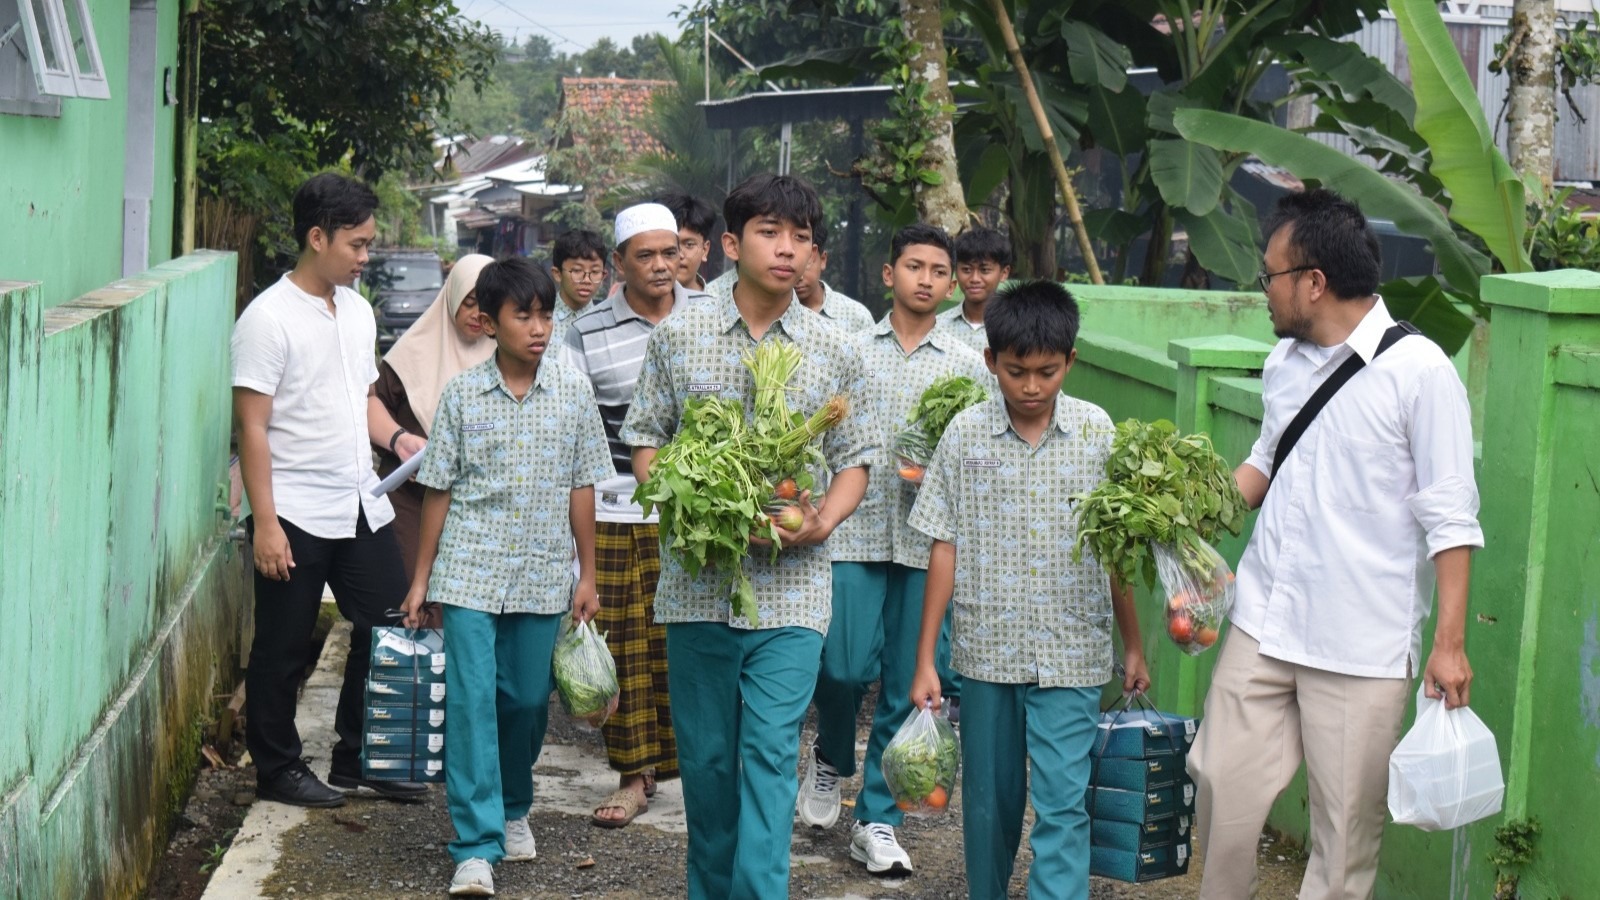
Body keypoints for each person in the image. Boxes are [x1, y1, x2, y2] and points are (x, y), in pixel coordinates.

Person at [1187, 189, 1481, 900]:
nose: (1264, 292)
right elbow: (1267, 459)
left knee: (1343, 841)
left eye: (1270, 276)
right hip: (1264, 618)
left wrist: (1448, 644)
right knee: (1218, 784)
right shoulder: (1286, 362)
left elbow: (1452, 520)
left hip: (1360, 643)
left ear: (1312, 282)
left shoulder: (1422, 374)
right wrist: (1188, 515)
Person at [620, 173, 878, 899]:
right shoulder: (680, 335)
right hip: (698, 585)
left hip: (793, 592)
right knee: (705, 764)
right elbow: (645, 442)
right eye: (770, 232)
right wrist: (689, 502)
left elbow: (857, 459)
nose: (787, 248)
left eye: (800, 237)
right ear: (732, 245)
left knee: (768, 756)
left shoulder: (837, 347)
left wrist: (823, 520)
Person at [908, 280, 1149, 900]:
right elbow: (944, 546)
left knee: (1064, 804)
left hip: (1073, 653)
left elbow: (1116, 549)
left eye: (1047, 371)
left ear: (1071, 361)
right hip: (987, 654)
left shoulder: (1099, 434)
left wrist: (1134, 647)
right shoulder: (963, 436)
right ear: (991, 362)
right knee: (989, 805)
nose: (1032, 386)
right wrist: (925, 659)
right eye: (1017, 371)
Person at [400, 257, 615, 897]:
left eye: (546, 313)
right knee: (471, 702)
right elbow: (437, 491)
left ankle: (515, 804)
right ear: (488, 322)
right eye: (524, 315)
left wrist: (587, 572)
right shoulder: (462, 395)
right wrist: (422, 580)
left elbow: (583, 486)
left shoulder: (573, 391)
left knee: (524, 699)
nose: (539, 326)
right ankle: (474, 844)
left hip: (544, 572)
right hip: (469, 569)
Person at [231, 173, 429, 808]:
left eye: (369, 244)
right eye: (358, 244)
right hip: (293, 509)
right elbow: (252, 427)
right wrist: (265, 523)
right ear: (317, 238)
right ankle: (278, 769)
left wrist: (400, 442)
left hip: (359, 499)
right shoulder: (267, 319)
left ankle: (358, 757)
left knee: (389, 626)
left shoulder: (358, 310)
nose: (366, 257)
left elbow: (363, 400)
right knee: (282, 649)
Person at [796, 223, 987, 876]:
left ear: (951, 281)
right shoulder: (848, 350)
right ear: (889, 274)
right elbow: (818, 437)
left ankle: (878, 819)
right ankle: (829, 756)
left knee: (912, 684)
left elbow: (973, 455)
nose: (927, 279)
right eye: (914, 266)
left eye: (939, 270)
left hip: (925, 540)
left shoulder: (966, 366)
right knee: (843, 667)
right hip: (850, 530)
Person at [564, 203, 695, 828]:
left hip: (696, 513)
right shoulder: (585, 333)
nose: (662, 265)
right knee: (621, 643)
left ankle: (694, 765)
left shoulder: (711, 321)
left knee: (685, 643)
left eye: (671, 252)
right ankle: (632, 775)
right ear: (619, 264)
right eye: (646, 255)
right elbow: (575, 433)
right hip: (615, 507)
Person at [367, 254, 496, 582]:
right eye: (469, 302)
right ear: (452, 297)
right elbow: (371, 404)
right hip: (413, 503)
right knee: (411, 592)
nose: (477, 315)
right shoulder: (413, 351)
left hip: (481, 507)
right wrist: (399, 441)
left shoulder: (507, 359)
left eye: (487, 305)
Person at [938, 227, 1014, 354]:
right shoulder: (938, 326)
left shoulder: (1017, 326)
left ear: (1004, 273)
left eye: (984, 270)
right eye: (966, 270)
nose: (974, 279)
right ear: (956, 271)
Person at [792, 219, 875, 332]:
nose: (799, 276)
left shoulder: (856, 317)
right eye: (790, 266)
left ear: (823, 260)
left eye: (806, 264)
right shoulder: (768, 314)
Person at [549, 229, 608, 345]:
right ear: (557, 274)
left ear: (603, 276)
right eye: (577, 270)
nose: (586, 280)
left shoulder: (608, 323)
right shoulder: (541, 318)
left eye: (595, 271)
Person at [657, 191, 718, 291]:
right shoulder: (630, 301)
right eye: (669, 245)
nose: (679, 255)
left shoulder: (719, 305)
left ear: (705, 250)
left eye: (689, 244)